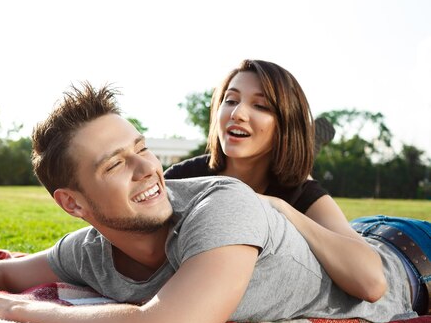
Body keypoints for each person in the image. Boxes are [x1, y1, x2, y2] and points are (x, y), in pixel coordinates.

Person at [0, 83, 427, 323]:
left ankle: (296, 168)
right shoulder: (88, 249)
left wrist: (5, 311)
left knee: (287, 203)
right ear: (73, 204)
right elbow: (1, 274)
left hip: (410, 258)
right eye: (115, 163)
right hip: (340, 235)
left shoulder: (224, 203)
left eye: (142, 149)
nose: (147, 169)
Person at [164, 59, 393, 303]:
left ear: (286, 124)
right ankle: (307, 146)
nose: (237, 113)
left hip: (386, 238)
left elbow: (372, 283)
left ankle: (305, 147)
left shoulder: (298, 192)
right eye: (230, 101)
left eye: (260, 106)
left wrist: (280, 208)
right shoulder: (184, 177)